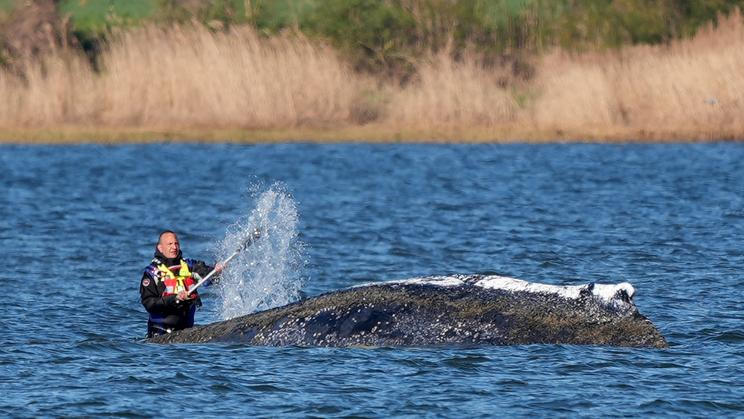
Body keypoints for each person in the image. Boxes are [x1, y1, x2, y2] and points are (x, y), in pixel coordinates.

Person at [140, 230, 223, 338]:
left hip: (186, 331)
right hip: (160, 332)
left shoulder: (189, 265)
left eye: (176, 244)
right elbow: (149, 303)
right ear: (160, 248)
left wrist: (217, 271)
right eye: (170, 244)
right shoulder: (152, 273)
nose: (174, 247)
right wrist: (175, 298)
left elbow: (209, 277)